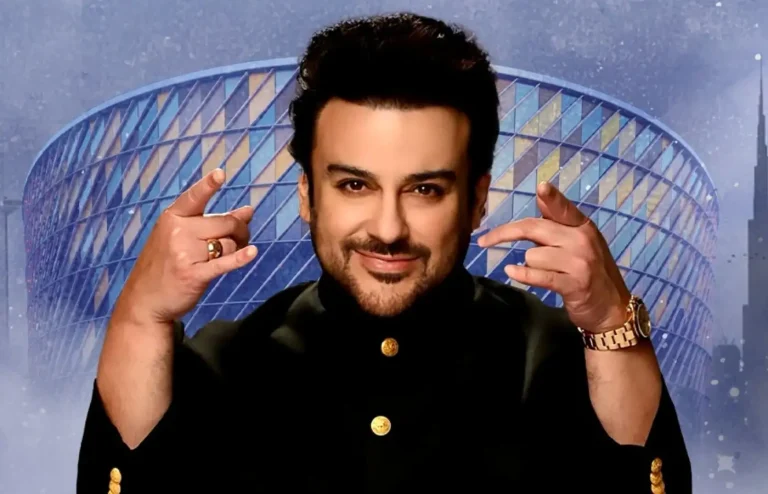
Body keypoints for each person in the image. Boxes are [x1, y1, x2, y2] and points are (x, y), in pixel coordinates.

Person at [77, 12, 691, 494]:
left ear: (478, 200)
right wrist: (139, 317)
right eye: (354, 185)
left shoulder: (555, 356)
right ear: (307, 195)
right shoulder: (226, 365)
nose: (389, 228)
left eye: (425, 190)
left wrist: (612, 326)